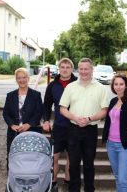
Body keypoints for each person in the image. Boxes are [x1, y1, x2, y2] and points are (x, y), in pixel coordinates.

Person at [59, 58, 109, 192]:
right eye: (81, 69)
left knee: (88, 164)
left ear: (92, 69)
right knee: (73, 164)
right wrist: (74, 117)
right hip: (73, 130)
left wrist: (89, 119)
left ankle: (89, 189)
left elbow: (104, 110)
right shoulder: (71, 87)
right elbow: (62, 108)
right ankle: (74, 189)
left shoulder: (100, 88)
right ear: (78, 70)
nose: (83, 71)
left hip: (90, 130)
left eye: (86, 69)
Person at [42, 58, 77, 190]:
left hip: (74, 126)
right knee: (54, 157)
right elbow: (46, 105)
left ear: (72, 69)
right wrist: (46, 120)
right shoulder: (52, 85)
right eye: (62, 67)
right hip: (59, 127)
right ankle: (54, 182)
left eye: (68, 67)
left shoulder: (78, 83)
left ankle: (68, 181)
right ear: (59, 69)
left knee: (71, 157)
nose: (65, 69)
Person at [3, 67, 44, 170]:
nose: (22, 80)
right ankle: (12, 181)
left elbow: (39, 112)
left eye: (24, 77)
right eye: (19, 78)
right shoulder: (10, 96)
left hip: (32, 131)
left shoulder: (36, 95)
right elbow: (5, 113)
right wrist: (12, 125)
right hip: (14, 132)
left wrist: (29, 124)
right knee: (13, 156)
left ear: (28, 78)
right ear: (16, 79)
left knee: (30, 157)